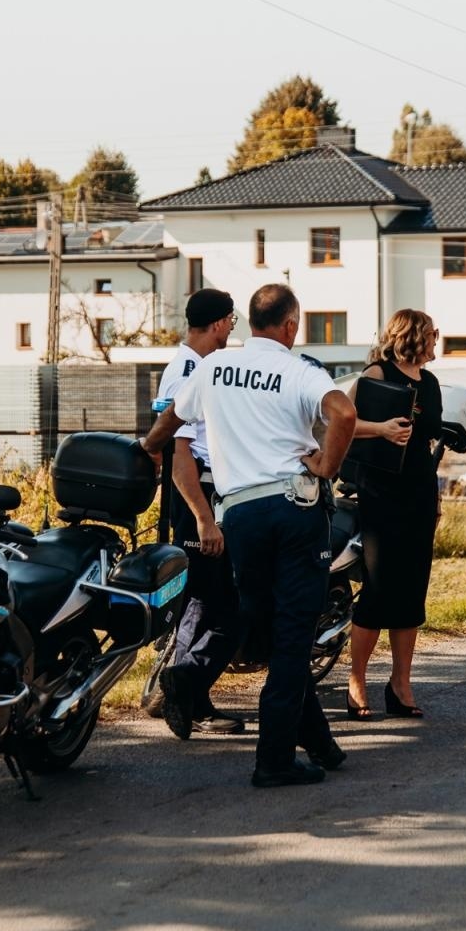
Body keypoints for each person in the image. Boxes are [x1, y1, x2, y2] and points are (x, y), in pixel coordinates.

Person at [142, 283, 357, 788]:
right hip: (293, 510)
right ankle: (274, 761)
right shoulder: (300, 370)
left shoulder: (212, 368)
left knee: (263, 628)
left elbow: (173, 418)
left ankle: (319, 742)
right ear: (289, 325)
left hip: (238, 515)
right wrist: (327, 464)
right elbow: (343, 413)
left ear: (251, 321)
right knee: (291, 638)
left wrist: (148, 444)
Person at [153, 287, 246, 738]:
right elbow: (180, 453)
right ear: (218, 323)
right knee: (221, 604)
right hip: (198, 494)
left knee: (206, 600)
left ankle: (188, 693)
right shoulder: (191, 369)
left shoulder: (193, 365)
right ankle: (185, 689)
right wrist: (203, 517)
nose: (234, 328)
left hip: (202, 494)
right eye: (231, 320)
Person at [343, 309, 441, 720]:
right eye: (433, 333)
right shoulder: (377, 373)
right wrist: (380, 429)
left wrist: (435, 500)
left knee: (413, 590)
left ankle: (400, 684)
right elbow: (346, 422)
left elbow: (428, 439)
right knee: (379, 588)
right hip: (381, 493)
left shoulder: (431, 382)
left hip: (419, 490)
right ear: (416, 335)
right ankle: (356, 681)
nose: (438, 339)